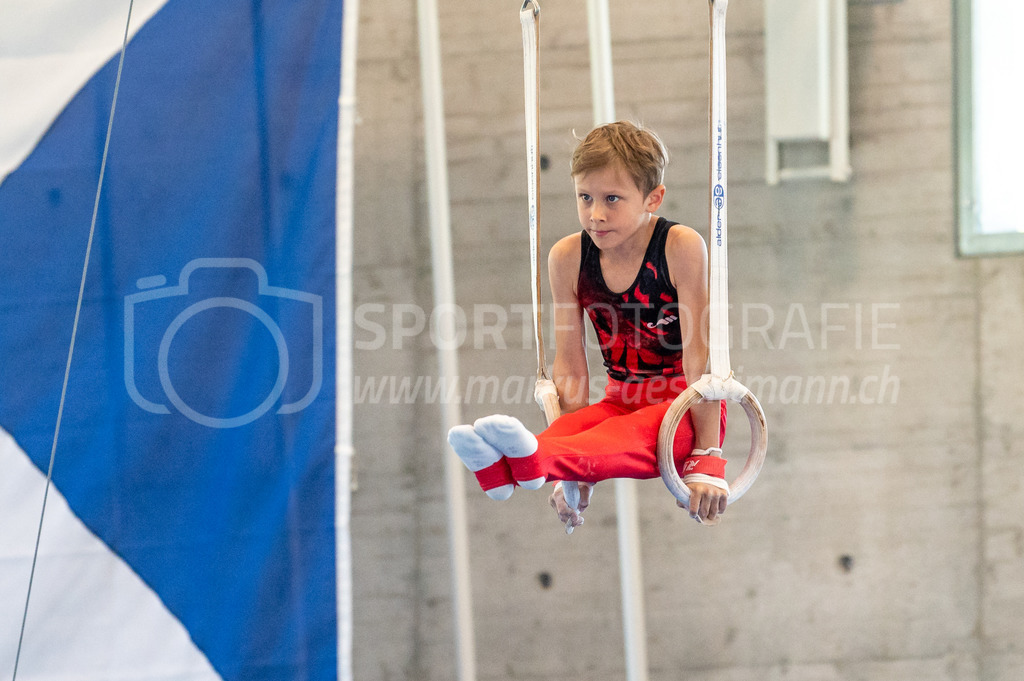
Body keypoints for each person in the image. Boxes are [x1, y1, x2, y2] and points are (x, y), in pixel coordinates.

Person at [447, 121, 728, 527]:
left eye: (612, 198)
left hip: (684, 404)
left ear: (654, 197)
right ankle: (500, 470)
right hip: (620, 398)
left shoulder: (680, 247)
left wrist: (708, 453)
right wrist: (573, 474)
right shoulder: (568, 257)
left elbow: (701, 356)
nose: (595, 214)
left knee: (618, 438)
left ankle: (530, 460)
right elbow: (571, 364)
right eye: (585, 197)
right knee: (576, 430)